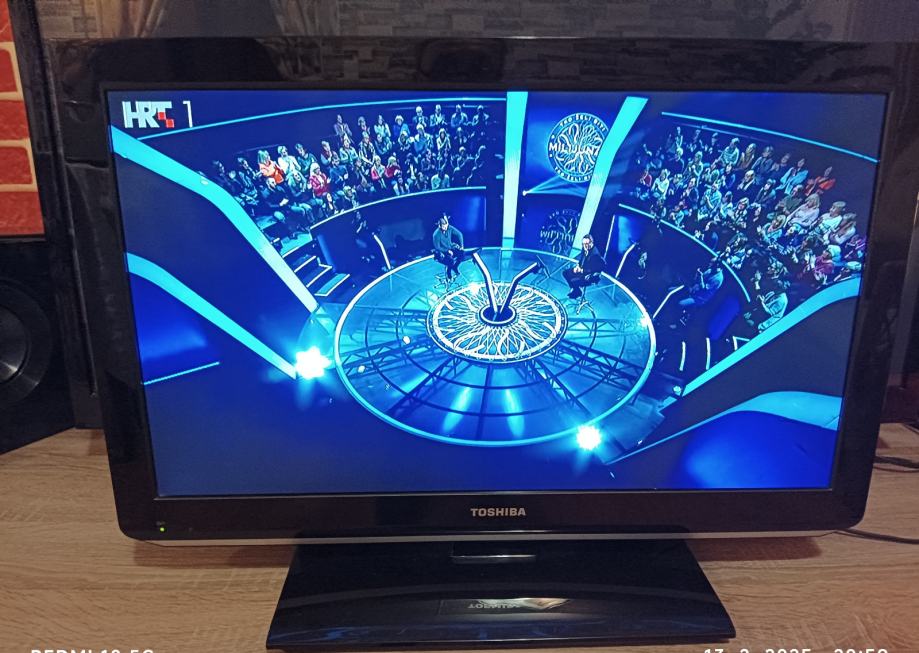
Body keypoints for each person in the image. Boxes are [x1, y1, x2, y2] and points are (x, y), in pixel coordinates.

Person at [562, 234, 605, 299]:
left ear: (591, 243)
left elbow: (594, 269)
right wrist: (577, 266)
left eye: (586, 244)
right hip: (582, 270)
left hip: (590, 275)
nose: (584, 246)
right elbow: (581, 260)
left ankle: (577, 291)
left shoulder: (595, 254)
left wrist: (582, 270)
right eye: (583, 244)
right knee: (565, 273)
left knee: (573, 280)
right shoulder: (584, 249)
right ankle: (576, 290)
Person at [432, 213, 465, 280]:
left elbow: (460, 234)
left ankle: (455, 267)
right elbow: (437, 247)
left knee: (462, 253)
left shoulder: (449, 228)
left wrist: (462, 246)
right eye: (444, 227)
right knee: (450, 260)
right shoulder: (436, 234)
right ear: (440, 226)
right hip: (442, 251)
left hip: (450, 247)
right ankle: (448, 271)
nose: (446, 228)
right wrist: (447, 251)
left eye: (446, 226)